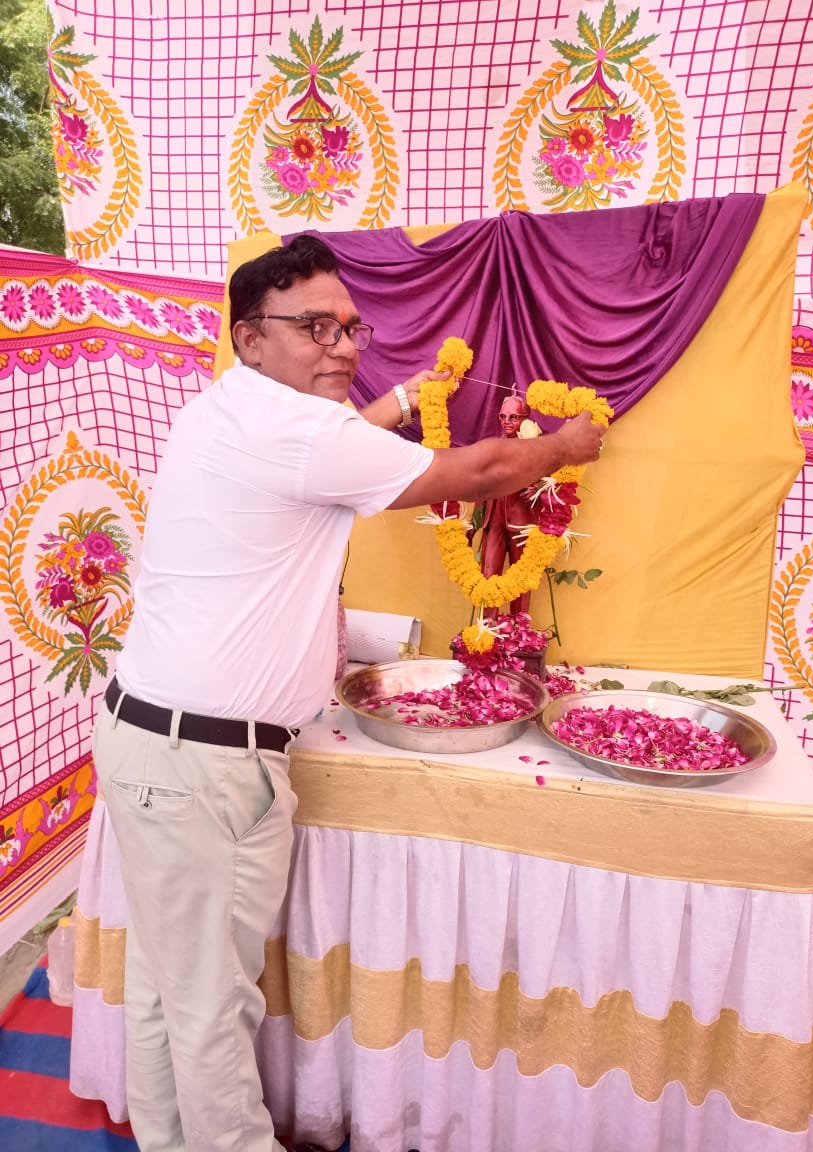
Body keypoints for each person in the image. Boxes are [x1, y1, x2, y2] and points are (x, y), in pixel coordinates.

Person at [92, 235, 603, 1152]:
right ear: (250, 338)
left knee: (178, 985)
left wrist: (407, 400)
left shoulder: (236, 414)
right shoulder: (292, 431)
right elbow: (481, 473)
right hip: (200, 762)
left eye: (352, 327)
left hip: (165, 746)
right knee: (210, 1002)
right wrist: (567, 445)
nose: (341, 344)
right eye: (314, 326)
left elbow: (339, 448)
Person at [476, 390, 540, 616]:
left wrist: (537, 490)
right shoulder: (493, 447)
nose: (507, 422)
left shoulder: (537, 448)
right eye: (503, 416)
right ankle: (487, 627)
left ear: (524, 418)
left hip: (521, 522)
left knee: (521, 577)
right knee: (489, 574)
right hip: (492, 521)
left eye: (513, 417)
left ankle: (519, 627)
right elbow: (481, 486)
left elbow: (553, 482)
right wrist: (474, 525)